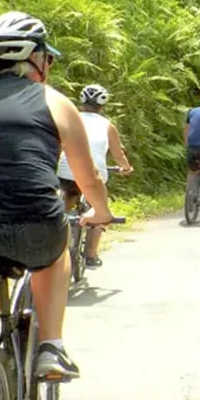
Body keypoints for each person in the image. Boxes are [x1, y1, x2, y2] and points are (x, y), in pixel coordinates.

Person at [0, 11, 116, 400]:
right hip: (34, 222)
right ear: (38, 60)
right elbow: (86, 179)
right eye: (48, 57)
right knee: (57, 251)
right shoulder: (55, 102)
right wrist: (101, 212)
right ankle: (51, 345)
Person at [56, 84, 133, 269]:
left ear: (82, 103)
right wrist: (126, 168)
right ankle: (91, 255)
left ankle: (58, 247)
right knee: (98, 209)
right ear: (102, 105)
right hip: (93, 172)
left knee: (61, 209)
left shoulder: (69, 118)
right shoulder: (107, 125)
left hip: (64, 172)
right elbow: (118, 154)